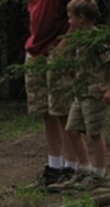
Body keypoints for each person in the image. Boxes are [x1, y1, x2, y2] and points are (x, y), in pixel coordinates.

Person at [49, 0, 110, 191]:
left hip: (95, 93)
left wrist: (108, 88)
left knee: (94, 133)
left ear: (82, 18)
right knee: (72, 130)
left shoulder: (97, 41)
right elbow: (60, 56)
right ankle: (84, 170)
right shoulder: (78, 39)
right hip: (79, 93)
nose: (68, 22)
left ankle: (99, 174)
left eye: (70, 18)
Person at [25, 0, 79, 187]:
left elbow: (80, 10)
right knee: (45, 111)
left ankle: (71, 167)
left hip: (58, 50)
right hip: (35, 50)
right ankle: (54, 166)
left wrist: (65, 43)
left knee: (63, 110)